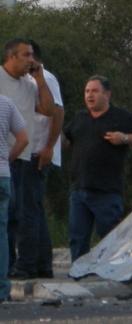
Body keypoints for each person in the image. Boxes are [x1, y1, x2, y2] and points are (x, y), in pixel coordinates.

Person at [63, 75, 132, 262]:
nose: (90, 95)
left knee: (110, 236)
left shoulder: (120, 117)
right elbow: (65, 140)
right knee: (77, 237)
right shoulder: (80, 117)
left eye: (95, 91)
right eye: (87, 91)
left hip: (106, 191)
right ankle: (78, 273)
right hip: (79, 189)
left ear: (107, 94)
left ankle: (113, 273)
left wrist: (125, 138)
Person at [10, 40, 64, 279]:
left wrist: (49, 147)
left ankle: (27, 265)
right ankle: (43, 265)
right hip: (29, 152)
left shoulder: (45, 79)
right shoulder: (24, 82)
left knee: (28, 211)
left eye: (28, 56)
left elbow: (58, 112)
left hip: (38, 152)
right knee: (35, 210)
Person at [0, 38, 54, 275]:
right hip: (3, 157)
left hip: (21, 157)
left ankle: (16, 265)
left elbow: (49, 110)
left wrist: (41, 80)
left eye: (32, 55)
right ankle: (8, 263)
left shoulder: (30, 84)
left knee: (19, 215)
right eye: (26, 55)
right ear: (11, 57)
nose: (31, 60)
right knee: (7, 215)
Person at [0, 96, 28, 302]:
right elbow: (23, 139)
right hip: (2, 176)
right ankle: (1, 288)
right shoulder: (6, 103)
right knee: (1, 234)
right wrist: (6, 159)